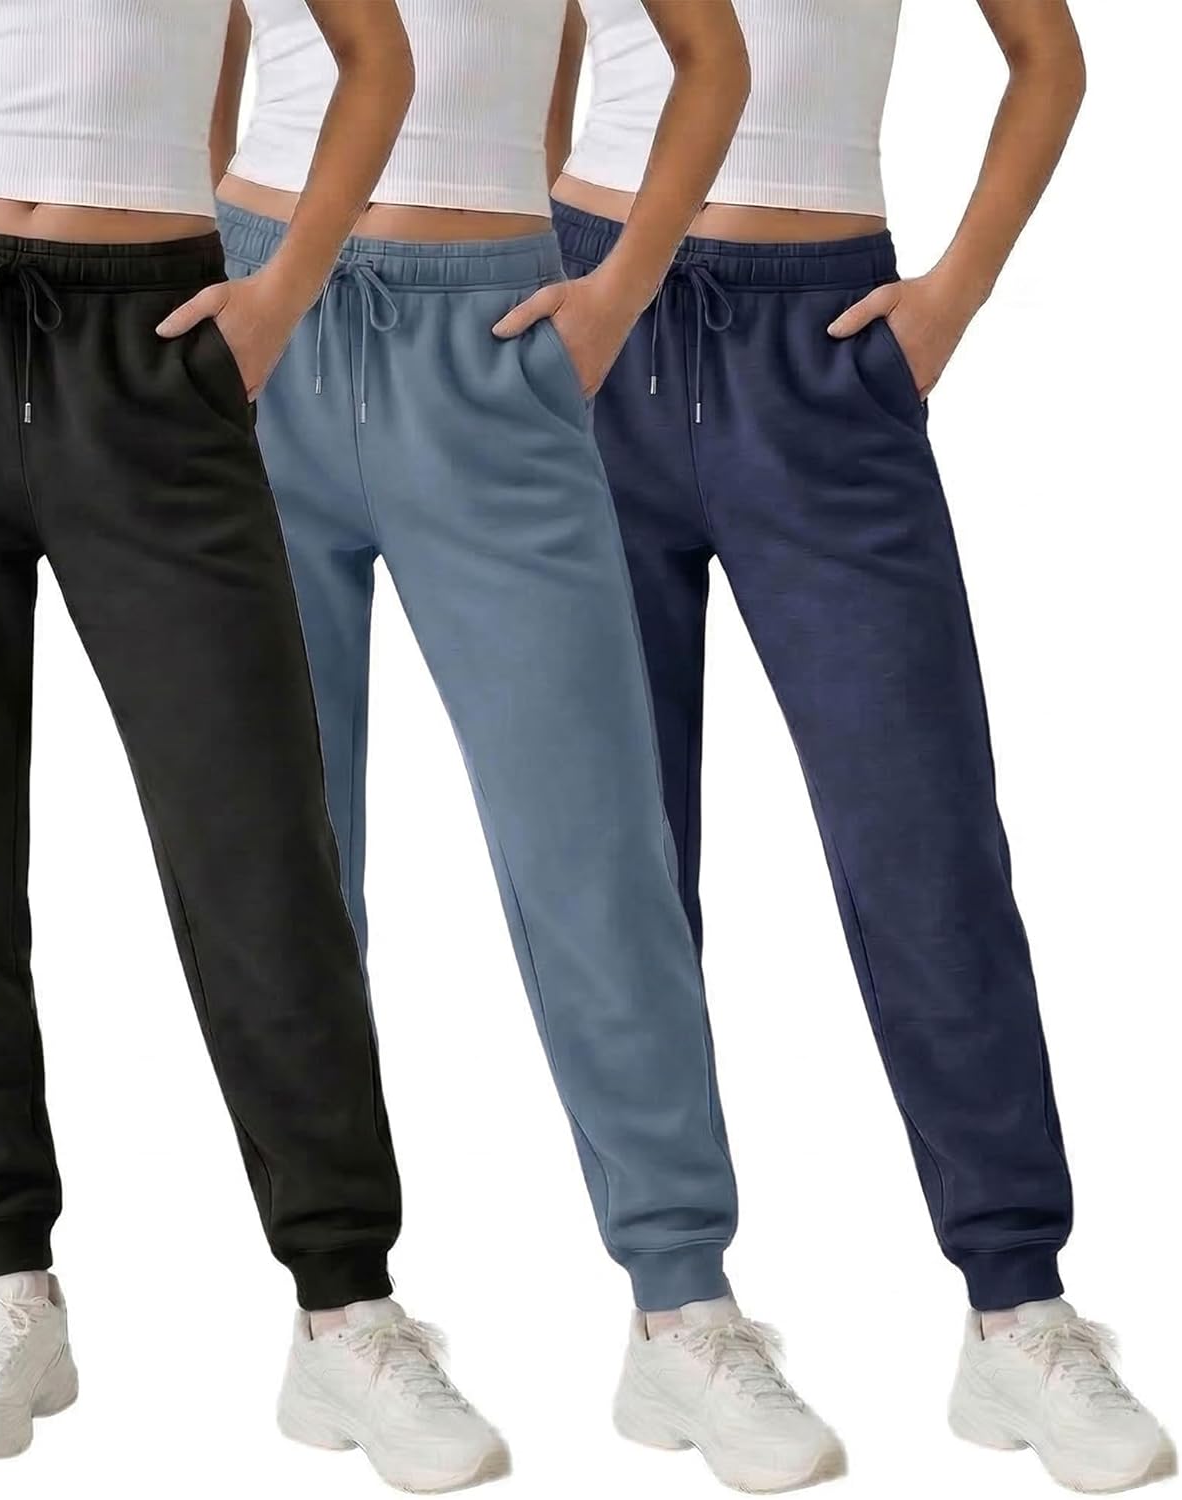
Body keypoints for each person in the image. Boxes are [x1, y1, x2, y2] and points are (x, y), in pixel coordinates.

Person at [0, 0, 460, 1472]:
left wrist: (280, 293)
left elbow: (376, 58)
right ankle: (2, 1280)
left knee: (258, 845)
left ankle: (347, 1307)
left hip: (151, 347)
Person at [206, 1, 846, 1491]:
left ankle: (682, 1304)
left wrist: (614, 289)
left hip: (486, 333)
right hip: (257, 317)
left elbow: (709, 57)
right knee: (292, 860)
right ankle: (338, 1314)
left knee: (596, 848)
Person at [549, 0, 1172, 1492]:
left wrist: (949, 297)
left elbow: (1048, 58)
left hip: (822, 346)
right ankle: (676, 1311)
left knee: (926, 842)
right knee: (626, 858)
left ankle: (1017, 1304)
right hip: (591, 312)